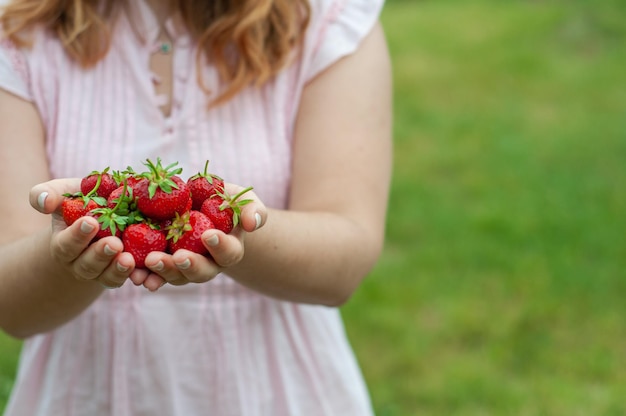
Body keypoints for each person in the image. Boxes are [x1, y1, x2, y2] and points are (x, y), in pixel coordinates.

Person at [0, 0, 392, 414]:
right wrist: (69, 252)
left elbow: (345, 262)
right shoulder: (19, 29)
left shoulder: (328, 20)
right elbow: (12, 306)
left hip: (275, 389)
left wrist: (237, 233)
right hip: (85, 393)